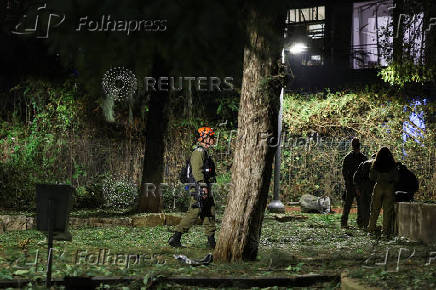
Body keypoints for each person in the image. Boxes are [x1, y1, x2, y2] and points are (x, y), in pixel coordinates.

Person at [169, 127, 217, 248]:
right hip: (198, 187)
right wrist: (202, 186)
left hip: (204, 186)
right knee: (195, 211)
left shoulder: (205, 152)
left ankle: (211, 242)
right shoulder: (198, 152)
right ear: (204, 138)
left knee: (209, 211)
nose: (213, 139)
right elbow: (197, 171)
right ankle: (176, 238)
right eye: (211, 137)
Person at [367, 147, 399, 238]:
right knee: (387, 211)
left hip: (378, 186)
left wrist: (379, 178)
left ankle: (371, 229)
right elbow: (396, 178)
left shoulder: (375, 164)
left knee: (374, 210)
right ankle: (385, 232)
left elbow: (371, 176)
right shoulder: (393, 165)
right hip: (389, 187)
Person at [341, 138, 367, 228]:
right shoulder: (362, 158)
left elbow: (344, 171)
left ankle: (345, 222)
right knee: (358, 204)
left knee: (350, 204)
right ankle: (359, 223)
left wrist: (348, 182)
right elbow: (344, 172)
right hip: (355, 185)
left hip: (354, 185)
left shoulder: (349, 157)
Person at [353, 153, 376, 229]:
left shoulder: (363, 163)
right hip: (372, 187)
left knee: (362, 206)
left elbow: (356, 176)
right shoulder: (376, 164)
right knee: (371, 206)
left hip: (362, 187)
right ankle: (369, 224)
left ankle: (362, 223)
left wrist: (357, 188)